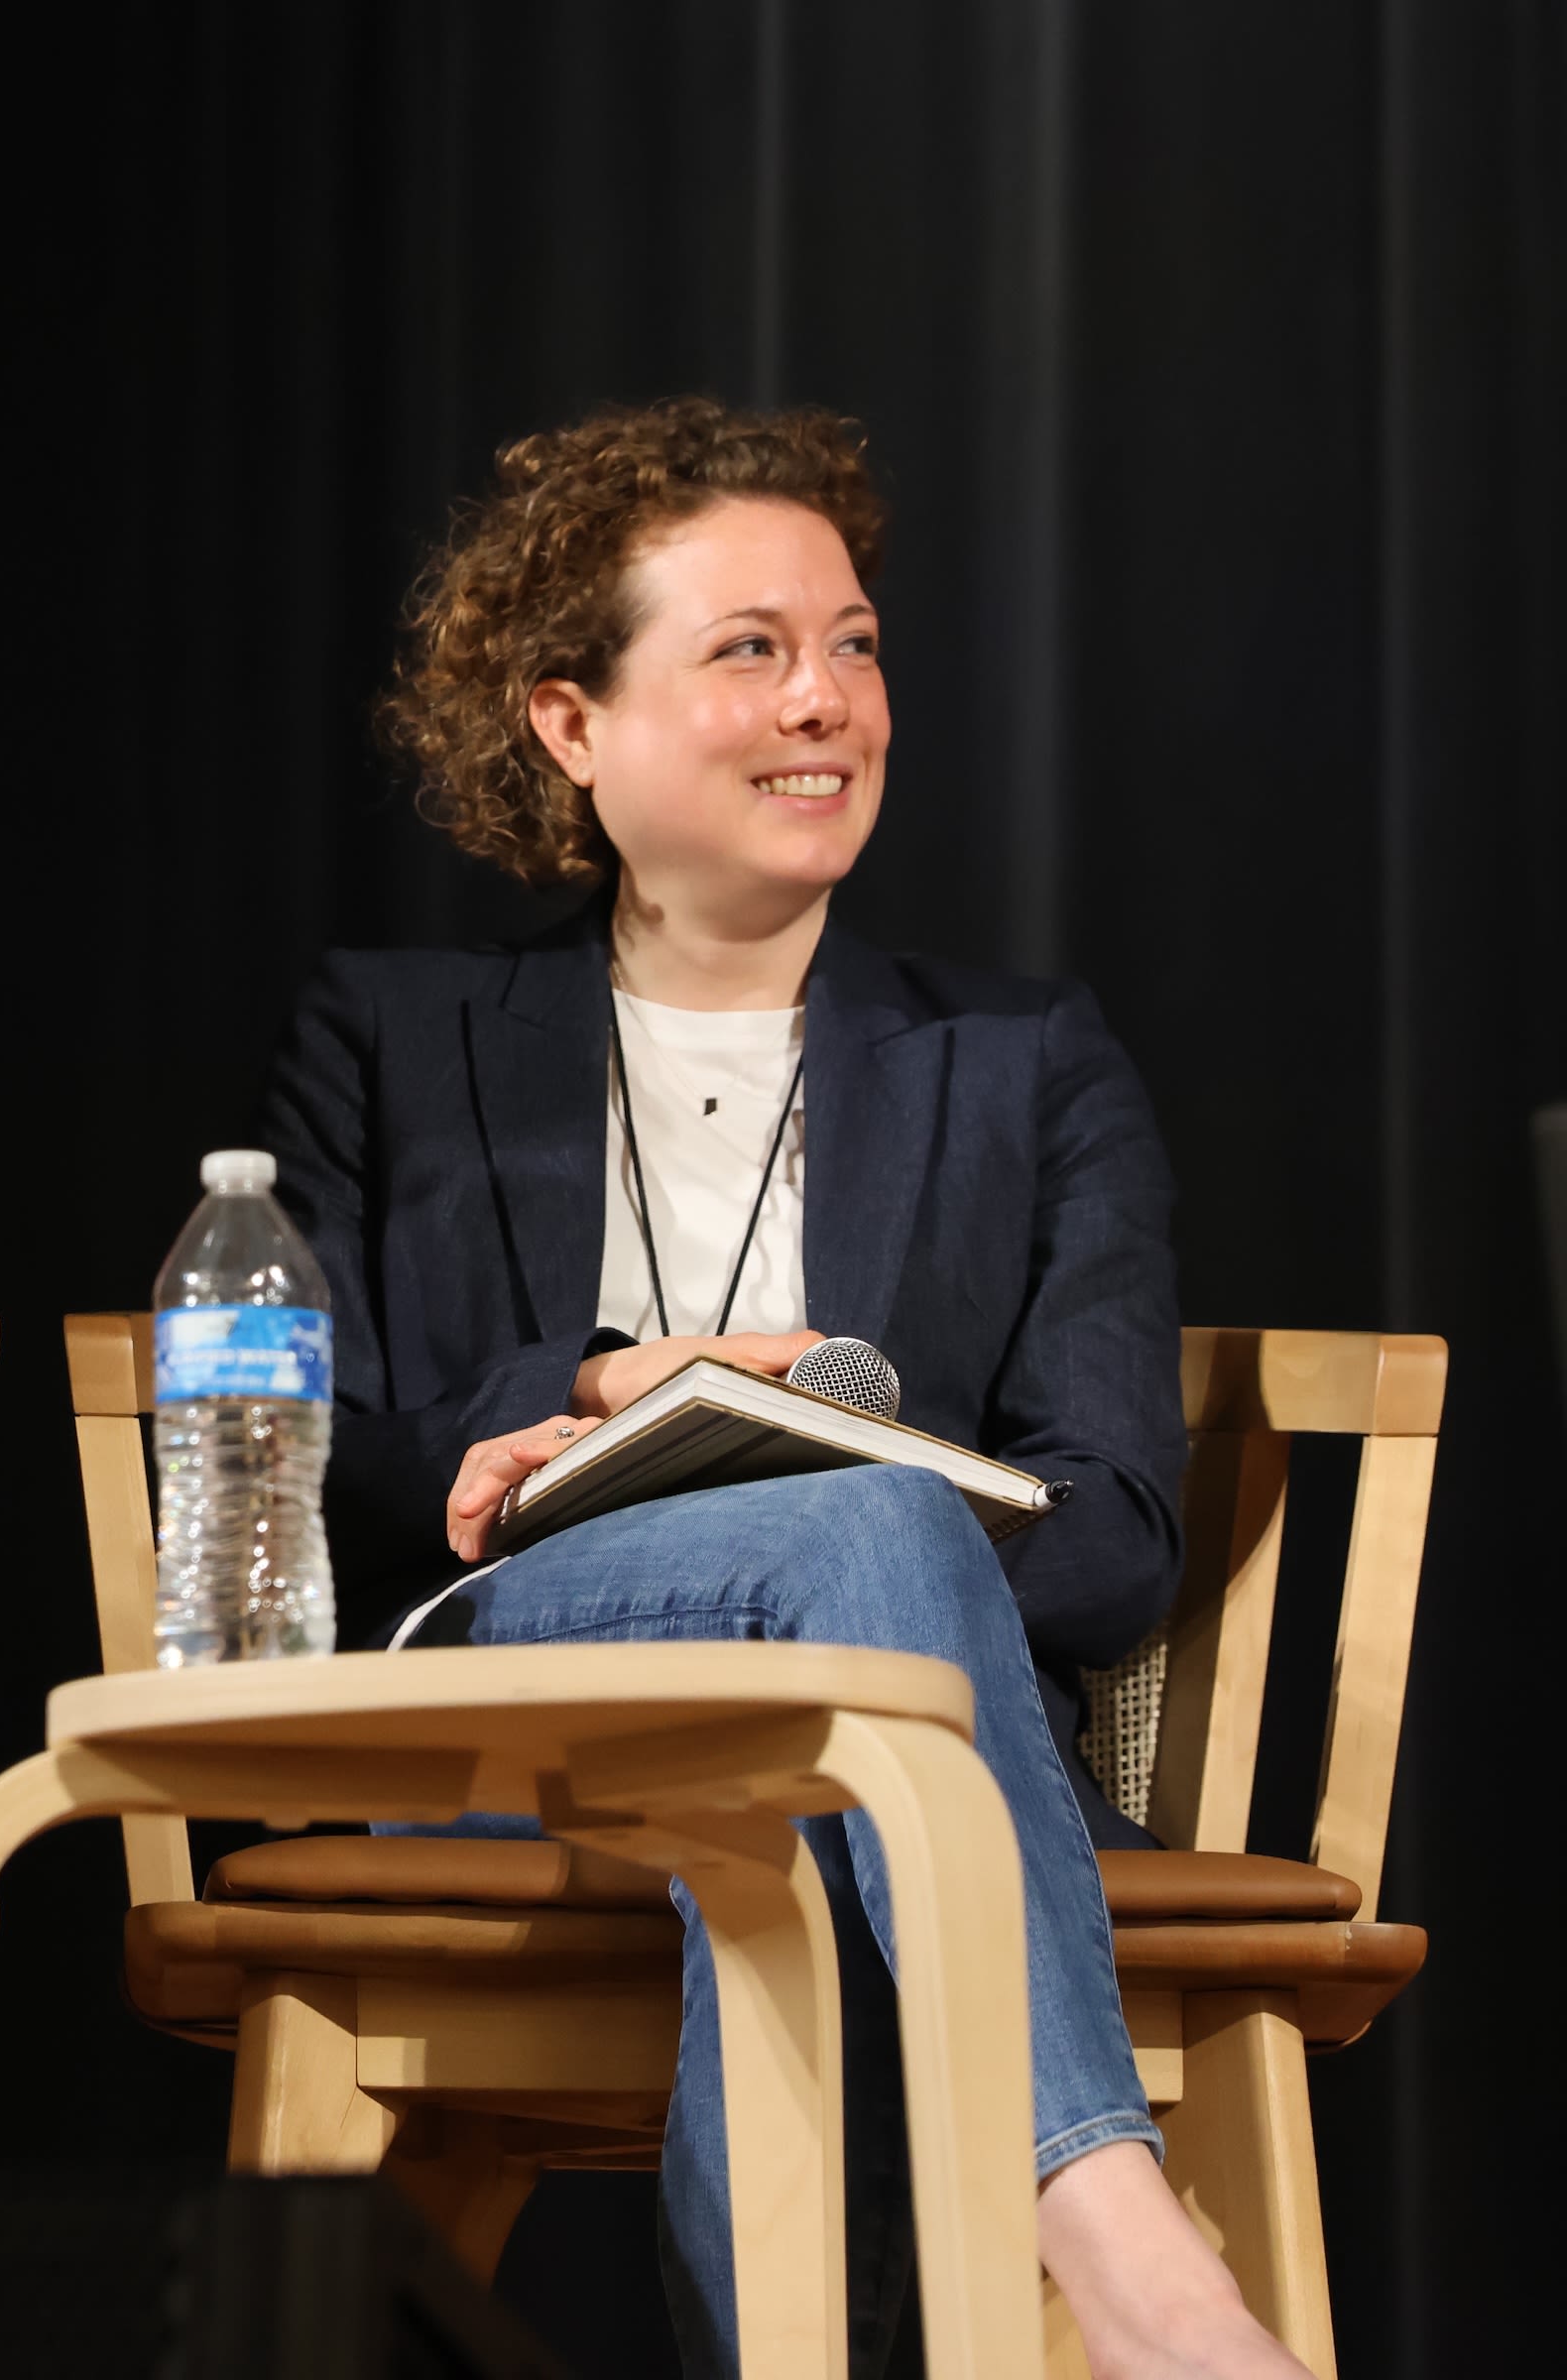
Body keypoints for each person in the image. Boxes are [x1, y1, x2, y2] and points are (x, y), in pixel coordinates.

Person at [257, 399, 1306, 2377]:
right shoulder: (391, 1036)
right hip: (511, 1724)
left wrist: (863, 1536)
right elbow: (306, 1460)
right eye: (750, 648)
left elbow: (1111, 1539)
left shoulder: (1027, 1064)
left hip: (885, 1755)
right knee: (862, 1580)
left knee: (818, 1770)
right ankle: (1130, 2253)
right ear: (572, 723)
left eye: (854, 646)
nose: (826, 700)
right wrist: (598, 1389)